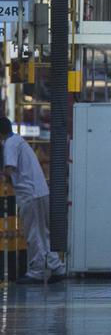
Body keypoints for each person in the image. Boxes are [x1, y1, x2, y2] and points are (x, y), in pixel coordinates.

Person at [0, 117, 65, 284]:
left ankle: (37, 271)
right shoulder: (18, 140)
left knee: (34, 232)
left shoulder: (9, 144)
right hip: (40, 191)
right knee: (43, 232)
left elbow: (9, 169)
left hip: (30, 194)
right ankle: (56, 267)